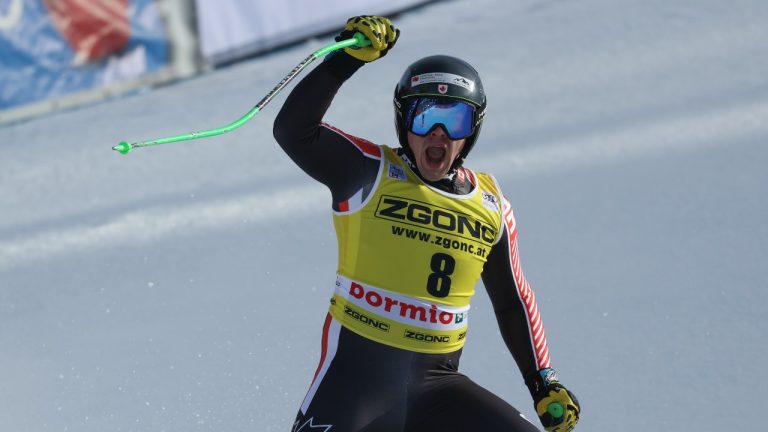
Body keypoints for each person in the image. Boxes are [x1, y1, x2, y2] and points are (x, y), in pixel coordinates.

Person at [273, 16, 580, 432]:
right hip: (354, 389)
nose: (437, 134)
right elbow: (294, 131)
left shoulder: (491, 205)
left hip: (438, 389)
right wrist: (345, 60)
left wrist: (542, 382)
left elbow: (513, 300)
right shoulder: (368, 171)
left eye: (454, 121)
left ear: (471, 132)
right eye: (423, 117)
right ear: (404, 121)